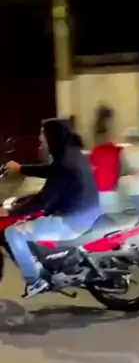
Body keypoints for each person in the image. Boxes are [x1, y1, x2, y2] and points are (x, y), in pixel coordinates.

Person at [4, 118, 100, 297]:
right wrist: (21, 168)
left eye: (43, 134)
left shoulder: (65, 162)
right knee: (33, 218)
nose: (40, 138)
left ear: (53, 136)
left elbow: (43, 201)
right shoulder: (71, 153)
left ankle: (35, 281)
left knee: (13, 233)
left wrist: (10, 211)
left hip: (72, 220)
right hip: (87, 211)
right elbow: (51, 171)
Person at [90, 136, 122, 214]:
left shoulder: (97, 149)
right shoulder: (118, 150)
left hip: (99, 186)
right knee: (113, 213)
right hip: (114, 187)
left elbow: (92, 166)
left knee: (101, 213)